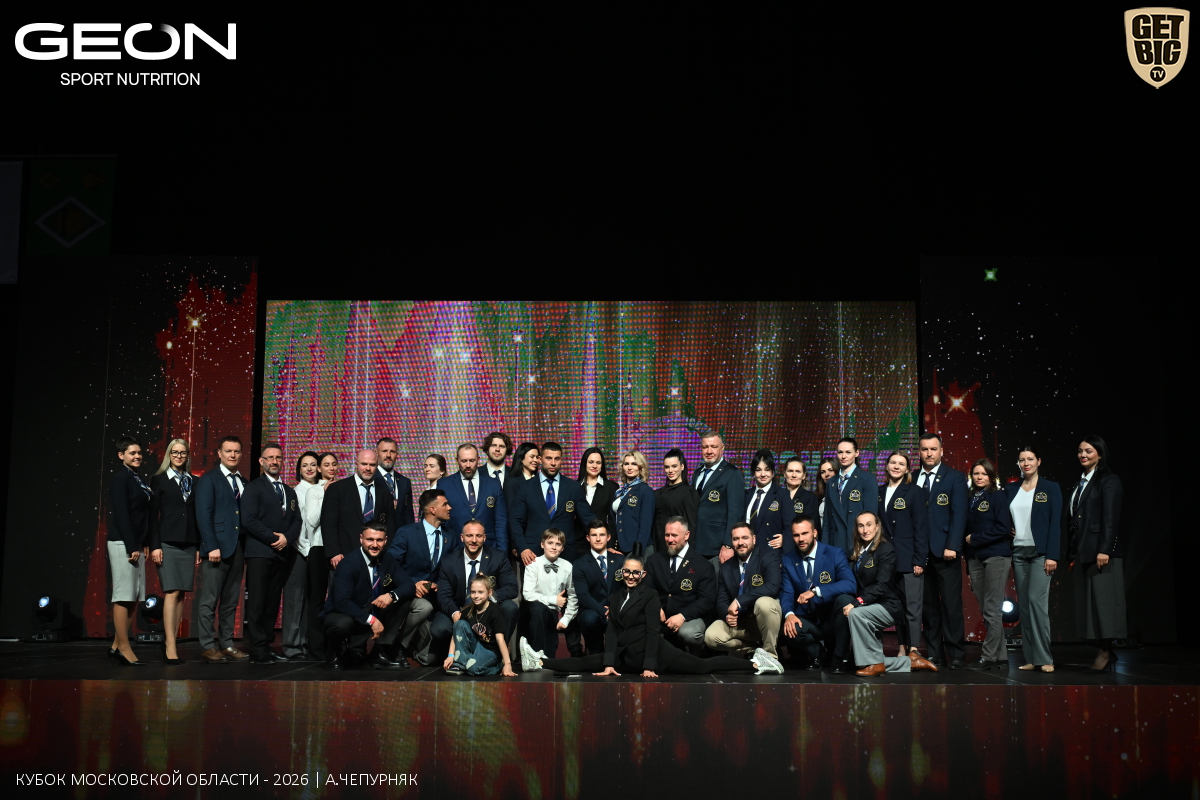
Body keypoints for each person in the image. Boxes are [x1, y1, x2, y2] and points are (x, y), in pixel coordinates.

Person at [519, 554, 782, 676]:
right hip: (625, 655)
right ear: (621, 573)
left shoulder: (649, 595)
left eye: (636, 573)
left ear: (642, 575)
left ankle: (757, 664)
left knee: (702, 667)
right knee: (588, 663)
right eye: (627, 572)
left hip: (655, 653)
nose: (631, 576)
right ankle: (539, 662)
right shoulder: (615, 597)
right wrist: (609, 664)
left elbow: (652, 632)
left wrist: (649, 666)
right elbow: (612, 631)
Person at [838, 512, 939, 676]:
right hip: (869, 606)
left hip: (888, 606)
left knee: (855, 614)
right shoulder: (855, 552)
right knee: (860, 663)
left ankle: (876, 664)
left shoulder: (885, 549)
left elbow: (882, 586)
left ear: (877, 527)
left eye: (869, 525)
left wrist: (858, 601)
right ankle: (909, 662)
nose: (865, 530)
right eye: (861, 526)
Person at [1066, 435, 1125, 673]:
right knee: (1091, 605)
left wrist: (1104, 549)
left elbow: (1111, 518)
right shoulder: (1080, 482)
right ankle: (1103, 649)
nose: (1083, 455)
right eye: (1080, 451)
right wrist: (1072, 554)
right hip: (1085, 551)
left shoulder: (1109, 480)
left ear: (1099, 454)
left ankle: (1106, 651)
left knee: (1105, 604)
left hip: (1101, 552)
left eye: (1088, 451)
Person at [321, 521, 415, 671]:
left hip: (371, 608)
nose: (374, 545)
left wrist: (391, 595)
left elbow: (409, 585)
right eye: (370, 539)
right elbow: (342, 602)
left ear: (385, 540)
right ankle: (335, 652)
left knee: (403, 602)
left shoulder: (387, 559)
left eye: (379, 540)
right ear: (361, 539)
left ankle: (379, 652)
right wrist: (372, 620)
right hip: (345, 613)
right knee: (342, 624)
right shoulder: (348, 563)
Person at [240, 443, 302, 663]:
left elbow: (297, 520)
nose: (275, 461)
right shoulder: (253, 488)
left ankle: (266, 644)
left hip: (281, 554)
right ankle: (257, 648)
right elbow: (248, 520)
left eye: (278, 458)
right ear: (261, 461)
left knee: (273, 602)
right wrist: (273, 538)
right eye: (270, 457)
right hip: (260, 553)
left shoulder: (289, 491)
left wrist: (287, 538)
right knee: (257, 602)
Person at [1004, 446, 1061, 673]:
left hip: (1041, 554)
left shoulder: (1050, 488)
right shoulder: (1011, 489)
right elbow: (1003, 516)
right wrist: (1006, 528)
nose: (1026, 463)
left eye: (1030, 459)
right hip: (1018, 553)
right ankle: (1030, 658)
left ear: (1039, 461)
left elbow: (1055, 523)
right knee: (1025, 607)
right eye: (1022, 460)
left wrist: (1052, 555)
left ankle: (1045, 658)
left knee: (1037, 603)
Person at [387, 488, 460, 664]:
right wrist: (412, 585)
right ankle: (397, 645)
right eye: (445, 504)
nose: (449, 508)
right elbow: (391, 565)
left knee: (428, 659)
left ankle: (414, 647)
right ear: (432, 509)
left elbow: (454, 570)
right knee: (424, 607)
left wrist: (439, 584)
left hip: (437, 601)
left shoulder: (451, 537)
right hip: (410, 597)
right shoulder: (407, 532)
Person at [194, 435, 250, 663]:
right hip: (217, 548)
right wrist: (211, 546)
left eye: (236, 451)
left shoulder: (244, 482)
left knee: (231, 600)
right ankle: (207, 645)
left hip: (238, 548)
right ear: (219, 453)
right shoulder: (209, 479)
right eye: (228, 451)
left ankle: (226, 643)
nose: (232, 455)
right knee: (209, 599)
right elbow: (203, 515)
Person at [917, 433, 968, 670]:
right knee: (929, 607)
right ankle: (935, 653)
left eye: (933, 449)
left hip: (945, 551)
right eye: (925, 449)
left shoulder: (955, 477)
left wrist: (953, 546)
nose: (929, 454)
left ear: (941, 451)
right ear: (919, 452)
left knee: (951, 604)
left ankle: (956, 653)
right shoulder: (912, 478)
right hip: (921, 554)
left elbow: (959, 515)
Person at [780, 514, 856, 671]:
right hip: (808, 619)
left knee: (845, 600)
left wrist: (816, 591)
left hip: (831, 619)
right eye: (796, 535)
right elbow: (786, 592)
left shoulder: (834, 553)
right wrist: (789, 614)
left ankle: (839, 658)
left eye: (805, 533)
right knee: (790, 628)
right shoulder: (788, 559)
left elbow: (850, 584)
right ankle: (818, 653)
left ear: (814, 533)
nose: (801, 539)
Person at [148, 438, 200, 665]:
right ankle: (169, 644)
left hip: (189, 543)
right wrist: (155, 545)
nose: (179, 456)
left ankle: (174, 640)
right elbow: (152, 516)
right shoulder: (159, 480)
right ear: (169, 454)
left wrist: (198, 546)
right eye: (175, 452)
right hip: (167, 542)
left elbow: (197, 516)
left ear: (187, 456)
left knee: (181, 594)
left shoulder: (195, 481)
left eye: (183, 453)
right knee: (171, 591)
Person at [437, 519, 519, 650]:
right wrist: (455, 613)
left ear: (485, 538)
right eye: (469, 536)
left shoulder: (498, 557)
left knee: (510, 607)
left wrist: (487, 598)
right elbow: (443, 595)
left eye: (478, 536)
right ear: (462, 537)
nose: (474, 540)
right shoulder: (449, 561)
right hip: (459, 608)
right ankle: (456, 655)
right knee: (439, 628)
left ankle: (497, 653)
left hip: (488, 610)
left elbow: (512, 587)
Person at [963, 458, 1014, 671]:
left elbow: (1003, 528)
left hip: (995, 556)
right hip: (974, 558)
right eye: (976, 473)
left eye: (984, 474)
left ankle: (988, 656)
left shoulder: (998, 496)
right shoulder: (969, 497)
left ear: (991, 476)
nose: (979, 477)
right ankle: (1001, 656)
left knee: (992, 609)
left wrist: (976, 538)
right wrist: (968, 565)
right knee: (986, 609)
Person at [703, 522, 783, 658]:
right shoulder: (726, 567)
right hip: (739, 622)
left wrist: (739, 601)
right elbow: (721, 600)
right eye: (736, 539)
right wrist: (727, 615)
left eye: (745, 538)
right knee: (711, 637)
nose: (740, 543)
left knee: (764, 603)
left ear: (754, 539)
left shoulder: (768, 557)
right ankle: (755, 651)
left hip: (763, 621)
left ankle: (770, 657)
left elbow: (772, 587)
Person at [509, 441, 596, 564]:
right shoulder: (525, 487)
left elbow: (588, 518)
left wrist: (605, 543)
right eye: (549, 458)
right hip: (533, 555)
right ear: (540, 459)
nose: (553, 463)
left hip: (566, 554)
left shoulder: (573, 487)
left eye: (557, 459)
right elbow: (515, 520)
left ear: (561, 460)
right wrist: (523, 548)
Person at [877, 451, 928, 658]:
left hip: (909, 559)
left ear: (907, 469)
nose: (896, 466)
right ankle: (901, 647)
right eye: (893, 462)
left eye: (901, 464)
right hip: (887, 560)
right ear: (886, 466)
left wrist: (919, 559)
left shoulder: (914, 491)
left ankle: (914, 649)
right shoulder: (879, 491)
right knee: (896, 607)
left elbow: (921, 528)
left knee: (913, 607)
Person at [107, 435, 150, 666]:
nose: (137, 456)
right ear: (121, 455)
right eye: (132, 453)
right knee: (124, 596)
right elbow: (122, 514)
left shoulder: (137, 478)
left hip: (135, 543)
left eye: (139, 452)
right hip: (123, 543)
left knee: (134, 596)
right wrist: (132, 545)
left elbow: (141, 515)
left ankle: (116, 645)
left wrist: (143, 542)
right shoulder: (120, 479)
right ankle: (124, 647)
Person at [644, 516, 716, 650]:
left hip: (689, 617)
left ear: (686, 535)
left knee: (689, 634)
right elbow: (646, 588)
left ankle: (694, 658)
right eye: (667, 535)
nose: (669, 539)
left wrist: (683, 616)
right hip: (659, 615)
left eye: (674, 535)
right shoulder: (653, 560)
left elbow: (706, 600)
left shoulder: (703, 565)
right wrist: (655, 606)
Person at [321, 449, 397, 571]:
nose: (368, 468)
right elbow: (328, 524)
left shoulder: (384, 492)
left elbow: (390, 526)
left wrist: (387, 553)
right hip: (343, 557)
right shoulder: (337, 489)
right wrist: (334, 552)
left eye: (372, 465)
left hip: (376, 558)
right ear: (356, 464)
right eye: (364, 464)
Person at [281, 451, 320, 661]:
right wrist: (307, 551)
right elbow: (298, 527)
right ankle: (291, 645)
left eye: (313, 464)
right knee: (295, 600)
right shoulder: (296, 492)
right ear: (299, 469)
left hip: (315, 553)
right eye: (305, 465)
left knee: (310, 600)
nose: (309, 469)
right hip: (299, 552)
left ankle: (304, 643)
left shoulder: (322, 489)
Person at [301, 451, 339, 661]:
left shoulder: (342, 488)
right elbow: (312, 520)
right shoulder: (314, 490)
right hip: (318, 548)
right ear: (319, 468)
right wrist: (326, 494)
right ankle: (316, 649)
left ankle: (334, 647)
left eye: (334, 464)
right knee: (316, 599)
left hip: (338, 550)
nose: (331, 468)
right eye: (326, 464)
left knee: (337, 597)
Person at [567, 520, 625, 657]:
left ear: (608, 537)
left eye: (602, 535)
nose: (598, 539)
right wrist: (603, 611)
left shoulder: (620, 560)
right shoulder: (579, 564)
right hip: (593, 609)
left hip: (616, 608)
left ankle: (619, 655)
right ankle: (596, 655)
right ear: (588, 538)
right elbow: (583, 595)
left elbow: (626, 588)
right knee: (590, 619)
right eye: (594, 535)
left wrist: (614, 608)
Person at [443, 574, 518, 676]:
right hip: (476, 646)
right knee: (459, 623)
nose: (476, 596)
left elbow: (500, 639)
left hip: (491, 650)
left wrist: (507, 664)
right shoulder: (468, 610)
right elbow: (456, 633)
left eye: (480, 592)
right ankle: (460, 663)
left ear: (489, 593)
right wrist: (450, 655)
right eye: (473, 592)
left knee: (472, 669)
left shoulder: (495, 611)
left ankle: (497, 667)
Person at [522, 528, 579, 657]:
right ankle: (537, 656)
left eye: (558, 544)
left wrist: (566, 619)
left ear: (562, 548)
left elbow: (573, 596)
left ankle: (551, 658)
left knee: (552, 646)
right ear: (542, 545)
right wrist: (553, 600)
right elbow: (528, 594)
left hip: (555, 612)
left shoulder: (567, 566)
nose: (553, 547)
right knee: (538, 610)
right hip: (535, 611)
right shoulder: (533, 564)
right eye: (550, 543)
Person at [441, 443, 508, 553]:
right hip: (455, 549)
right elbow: (440, 521)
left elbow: (500, 521)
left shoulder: (493, 484)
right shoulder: (444, 484)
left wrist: (501, 553)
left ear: (478, 460)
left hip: (489, 548)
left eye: (472, 461)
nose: (468, 465)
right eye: (464, 461)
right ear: (457, 460)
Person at [692, 430, 744, 564]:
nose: (709, 451)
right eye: (705, 447)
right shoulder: (697, 473)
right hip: (696, 545)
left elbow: (735, 513)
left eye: (713, 447)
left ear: (722, 448)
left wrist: (728, 545)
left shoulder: (732, 473)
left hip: (717, 547)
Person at [823, 437, 877, 553]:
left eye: (848, 452)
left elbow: (871, 516)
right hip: (835, 544)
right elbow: (827, 520)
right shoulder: (831, 482)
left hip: (857, 543)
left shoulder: (867, 479)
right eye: (840, 452)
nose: (843, 456)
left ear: (857, 453)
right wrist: (824, 549)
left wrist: (867, 547)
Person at [744, 449, 791, 553]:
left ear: (773, 472)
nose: (763, 474)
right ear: (753, 473)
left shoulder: (782, 494)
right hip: (746, 551)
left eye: (767, 469)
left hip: (770, 553)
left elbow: (790, 525)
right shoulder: (746, 494)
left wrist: (785, 538)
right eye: (758, 470)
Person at [654, 448, 698, 555]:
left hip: (678, 548)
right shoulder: (658, 493)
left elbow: (691, 526)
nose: (670, 470)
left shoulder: (689, 493)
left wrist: (688, 555)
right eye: (667, 467)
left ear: (682, 466)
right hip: (659, 548)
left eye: (674, 466)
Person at [612, 450, 656, 556]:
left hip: (638, 549)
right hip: (620, 548)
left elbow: (645, 525)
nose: (629, 467)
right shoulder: (619, 492)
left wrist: (637, 552)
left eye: (634, 464)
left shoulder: (645, 490)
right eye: (626, 464)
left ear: (640, 467)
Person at [577, 447, 617, 556]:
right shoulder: (574, 486)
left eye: (598, 463)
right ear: (584, 463)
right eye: (591, 462)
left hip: (602, 542)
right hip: (578, 543)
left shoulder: (611, 487)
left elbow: (612, 519)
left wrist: (610, 545)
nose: (594, 466)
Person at [375, 437, 415, 527]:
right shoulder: (370, 479)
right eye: (384, 451)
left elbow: (409, 516)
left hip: (400, 534)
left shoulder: (405, 482)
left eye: (392, 451)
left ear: (397, 454)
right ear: (376, 453)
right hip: (377, 533)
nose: (388, 455)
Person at [782, 456, 820, 522]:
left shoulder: (810, 498)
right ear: (784, 474)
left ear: (804, 475)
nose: (794, 475)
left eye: (798, 471)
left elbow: (812, 524)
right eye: (790, 471)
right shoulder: (777, 496)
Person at [815, 459, 836, 528]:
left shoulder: (846, 494)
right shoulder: (819, 498)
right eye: (823, 472)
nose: (826, 474)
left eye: (830, 470)